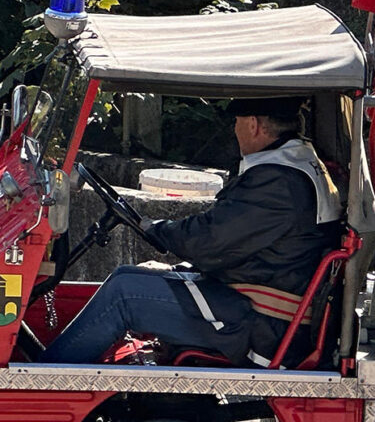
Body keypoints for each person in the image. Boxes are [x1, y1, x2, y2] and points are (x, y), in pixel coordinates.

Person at [41, 97, 343, 367]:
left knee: (124, 294)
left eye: (236, 122)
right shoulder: (298, 166)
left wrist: (158, 229)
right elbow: (243, 244)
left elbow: (210, 241)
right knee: (125, 276)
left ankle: (40, 386)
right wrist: (178, 266)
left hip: (262, 323)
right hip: (260, 306)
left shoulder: (279, 182)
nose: (234, 130)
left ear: (253, 125)